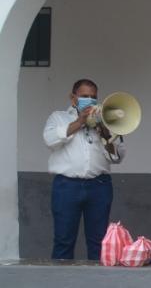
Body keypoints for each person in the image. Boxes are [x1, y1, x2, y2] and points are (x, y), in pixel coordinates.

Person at [43, 78, 125, 260]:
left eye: (93, 97)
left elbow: (117, 157)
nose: (90, 100)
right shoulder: (58, 117)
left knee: (99, 241)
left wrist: (104, 131)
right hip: (67, 186)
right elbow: (50, 140)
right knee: (63, 240)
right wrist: (80, 121)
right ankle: (61, 278)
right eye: (84, 96)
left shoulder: (105, 122)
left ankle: (97, 278)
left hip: (99, 185)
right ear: (73, 98)